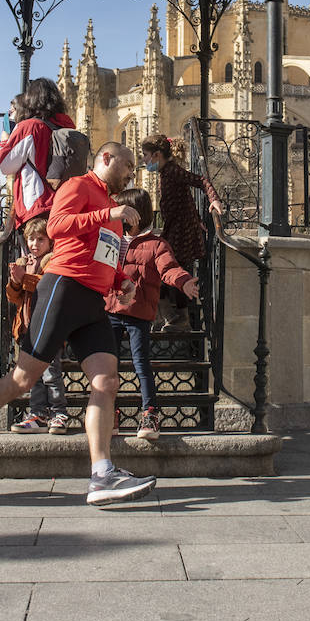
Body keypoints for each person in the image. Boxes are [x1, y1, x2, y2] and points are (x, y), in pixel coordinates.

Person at [0, 142, 157, 506]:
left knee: (107, 381)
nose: (133, 172)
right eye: (128, 165)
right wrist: (107, 213)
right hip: (63, 288)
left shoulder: (112, 212)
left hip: (92, 301)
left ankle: (102, 474)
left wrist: (120, 282)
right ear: (107, 159)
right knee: (22, 379)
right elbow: (58, 225)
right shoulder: (79, 187)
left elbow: (102, 255)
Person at [106, 187, 199, 441]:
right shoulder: (111, 238)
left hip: (138, 312)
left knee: (141, 364)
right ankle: (109, 412)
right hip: (110, 310)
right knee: (108, 365)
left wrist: (185, 281)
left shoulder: (156, 244)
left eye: (122, 210)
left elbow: (169, 268)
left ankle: (149, 412)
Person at [137, 134, 224, 330]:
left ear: (157, 155)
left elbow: (200, 180)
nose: (143, 160)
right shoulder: (166, 172)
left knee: (168, 271)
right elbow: (185, 197)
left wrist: (214, 200)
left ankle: (174, 318)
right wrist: (198, 219)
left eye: (145, 155)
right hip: (177, 228)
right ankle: (169, 317)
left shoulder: (172, 171)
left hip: (181, 231)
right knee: (170, 271)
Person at [7, 216, 69, 434]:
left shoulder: (52, 262)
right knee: (33, 375)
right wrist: (15, 282)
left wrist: (24, 279)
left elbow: (48, 287)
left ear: (50, 242)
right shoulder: (26, 263)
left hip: (48, 327)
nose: (34, 244)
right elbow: (15, 297)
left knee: (51, 373)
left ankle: (58, 412)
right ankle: (38, 413)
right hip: (27, 328)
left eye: (40, 239)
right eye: (31, 240)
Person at [0, 78, 75, 230]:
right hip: (64, 204)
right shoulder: (67, 127)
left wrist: (4, 140)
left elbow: (4, 165)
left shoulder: (30, 127)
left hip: (37, 206)